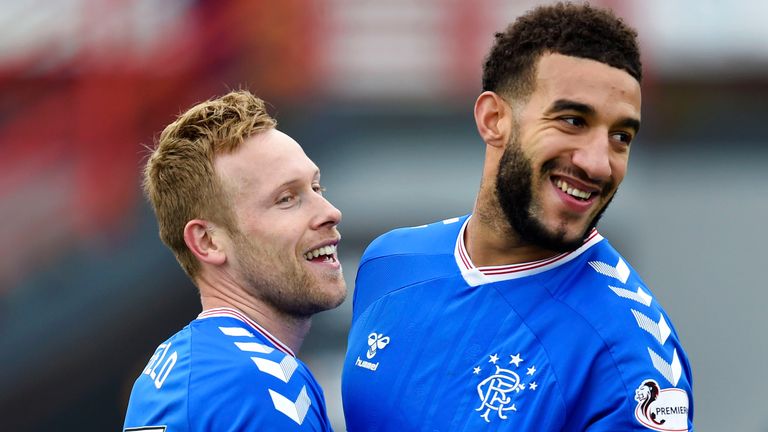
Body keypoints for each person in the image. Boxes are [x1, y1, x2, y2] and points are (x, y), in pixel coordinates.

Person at [341, 3, 693, 431]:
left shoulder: (631, 355)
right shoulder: (389, 261)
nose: (600, 164)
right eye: (572, 120)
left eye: (621, 136)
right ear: (494, 120)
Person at [123, 90, 345, 431]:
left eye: (317, 188)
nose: (330, 213)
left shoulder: (172, 365)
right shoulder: (262, 383)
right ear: (208, 241)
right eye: (287, 199)